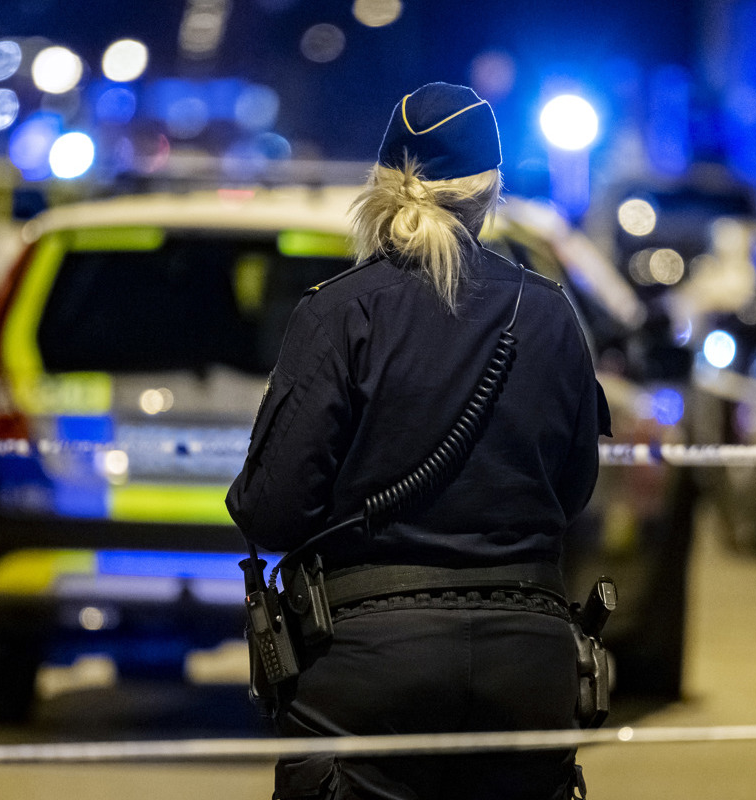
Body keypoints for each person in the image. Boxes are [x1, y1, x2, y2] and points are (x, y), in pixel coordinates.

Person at [226, 82, 611, 800]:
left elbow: (271, 510)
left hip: (367, 666)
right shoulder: (552, 315)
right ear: (489, 194)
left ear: (381, 185)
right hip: (527, 662)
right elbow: (574, 493)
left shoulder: (339, 315)